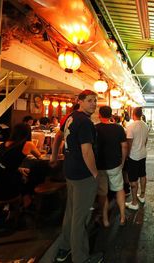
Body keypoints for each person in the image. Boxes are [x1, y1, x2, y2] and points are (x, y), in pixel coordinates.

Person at [50, 90, 103, 263]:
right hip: (82, 175)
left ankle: (64, 248)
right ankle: (81, 258)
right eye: (89, 100)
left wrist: (53, 156)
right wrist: (96, 174)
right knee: (80, 219)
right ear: (79, 101)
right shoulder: (85, 123)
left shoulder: (70, 117)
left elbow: (58, 136)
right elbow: (86, 151)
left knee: (71, 213)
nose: (94, 104)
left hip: (70, 171)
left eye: (95, 101)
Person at [0, 123, 42, 206]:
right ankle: (26, 204)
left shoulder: (3, 144)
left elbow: (5, 164)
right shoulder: (28, 144)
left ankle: (15, 210)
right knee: (33, 176)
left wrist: (19, 169)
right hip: (8, 185)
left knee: (24, 175)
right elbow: (39, 157)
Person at [95, 106, 127, 227]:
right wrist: (123, 161)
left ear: (99, 115)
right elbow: (124, 146)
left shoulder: (95, 128)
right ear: (111, 115)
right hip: (115, 164)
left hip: (100, 165)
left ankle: (105, 220)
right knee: (119, 189)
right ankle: (123, 217)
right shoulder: (118, 128)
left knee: (103, 193)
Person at [125, 107, 148, 210]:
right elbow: (146, 141)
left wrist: (126, 155)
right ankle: (142, 196)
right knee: (142, 175)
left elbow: (129, 143)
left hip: (133, 156)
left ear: (133, 114)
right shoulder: (145, 125)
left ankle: (134, 203)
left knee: (133, 179)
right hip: (143, 154)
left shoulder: (131, 126)